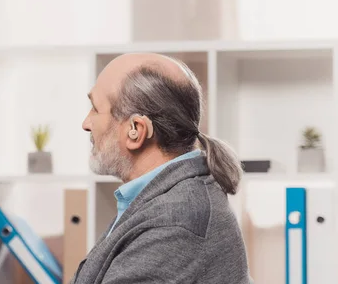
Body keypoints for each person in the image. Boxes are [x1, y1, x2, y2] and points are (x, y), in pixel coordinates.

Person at [71, 53, 251, 283]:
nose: (86, 123)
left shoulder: (175, 222)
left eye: (95, 109)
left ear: (136, 130)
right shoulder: (164, 199)